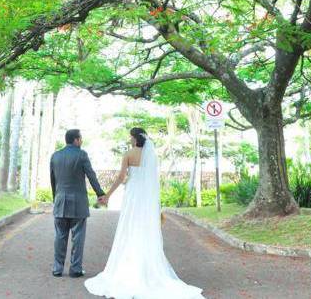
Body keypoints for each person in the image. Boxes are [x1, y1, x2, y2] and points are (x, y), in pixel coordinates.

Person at [84, 127, 205, 299]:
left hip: (133, 196)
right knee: (144, 229)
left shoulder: (128, 154)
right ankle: (147, 269)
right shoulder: (152, 155)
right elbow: (153, 181)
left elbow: (121, 177)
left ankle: (127, 267)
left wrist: (107, 195)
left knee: (129, 227)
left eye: (130, 137)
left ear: (134, 138)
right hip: (146, 198)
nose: (130, 140)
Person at [50, 129, 106, 278]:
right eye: (80, 139)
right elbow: (91, 175)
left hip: (60, 201)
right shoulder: (82, 155)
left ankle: (57, 269)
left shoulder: (55, 156)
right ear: (76, 140)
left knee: (60, 236)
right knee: (78, 236)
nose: (81, 141)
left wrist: (56, 199)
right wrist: (100, 193)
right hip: (78, 202)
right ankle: (75, 270)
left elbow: (53, 181)